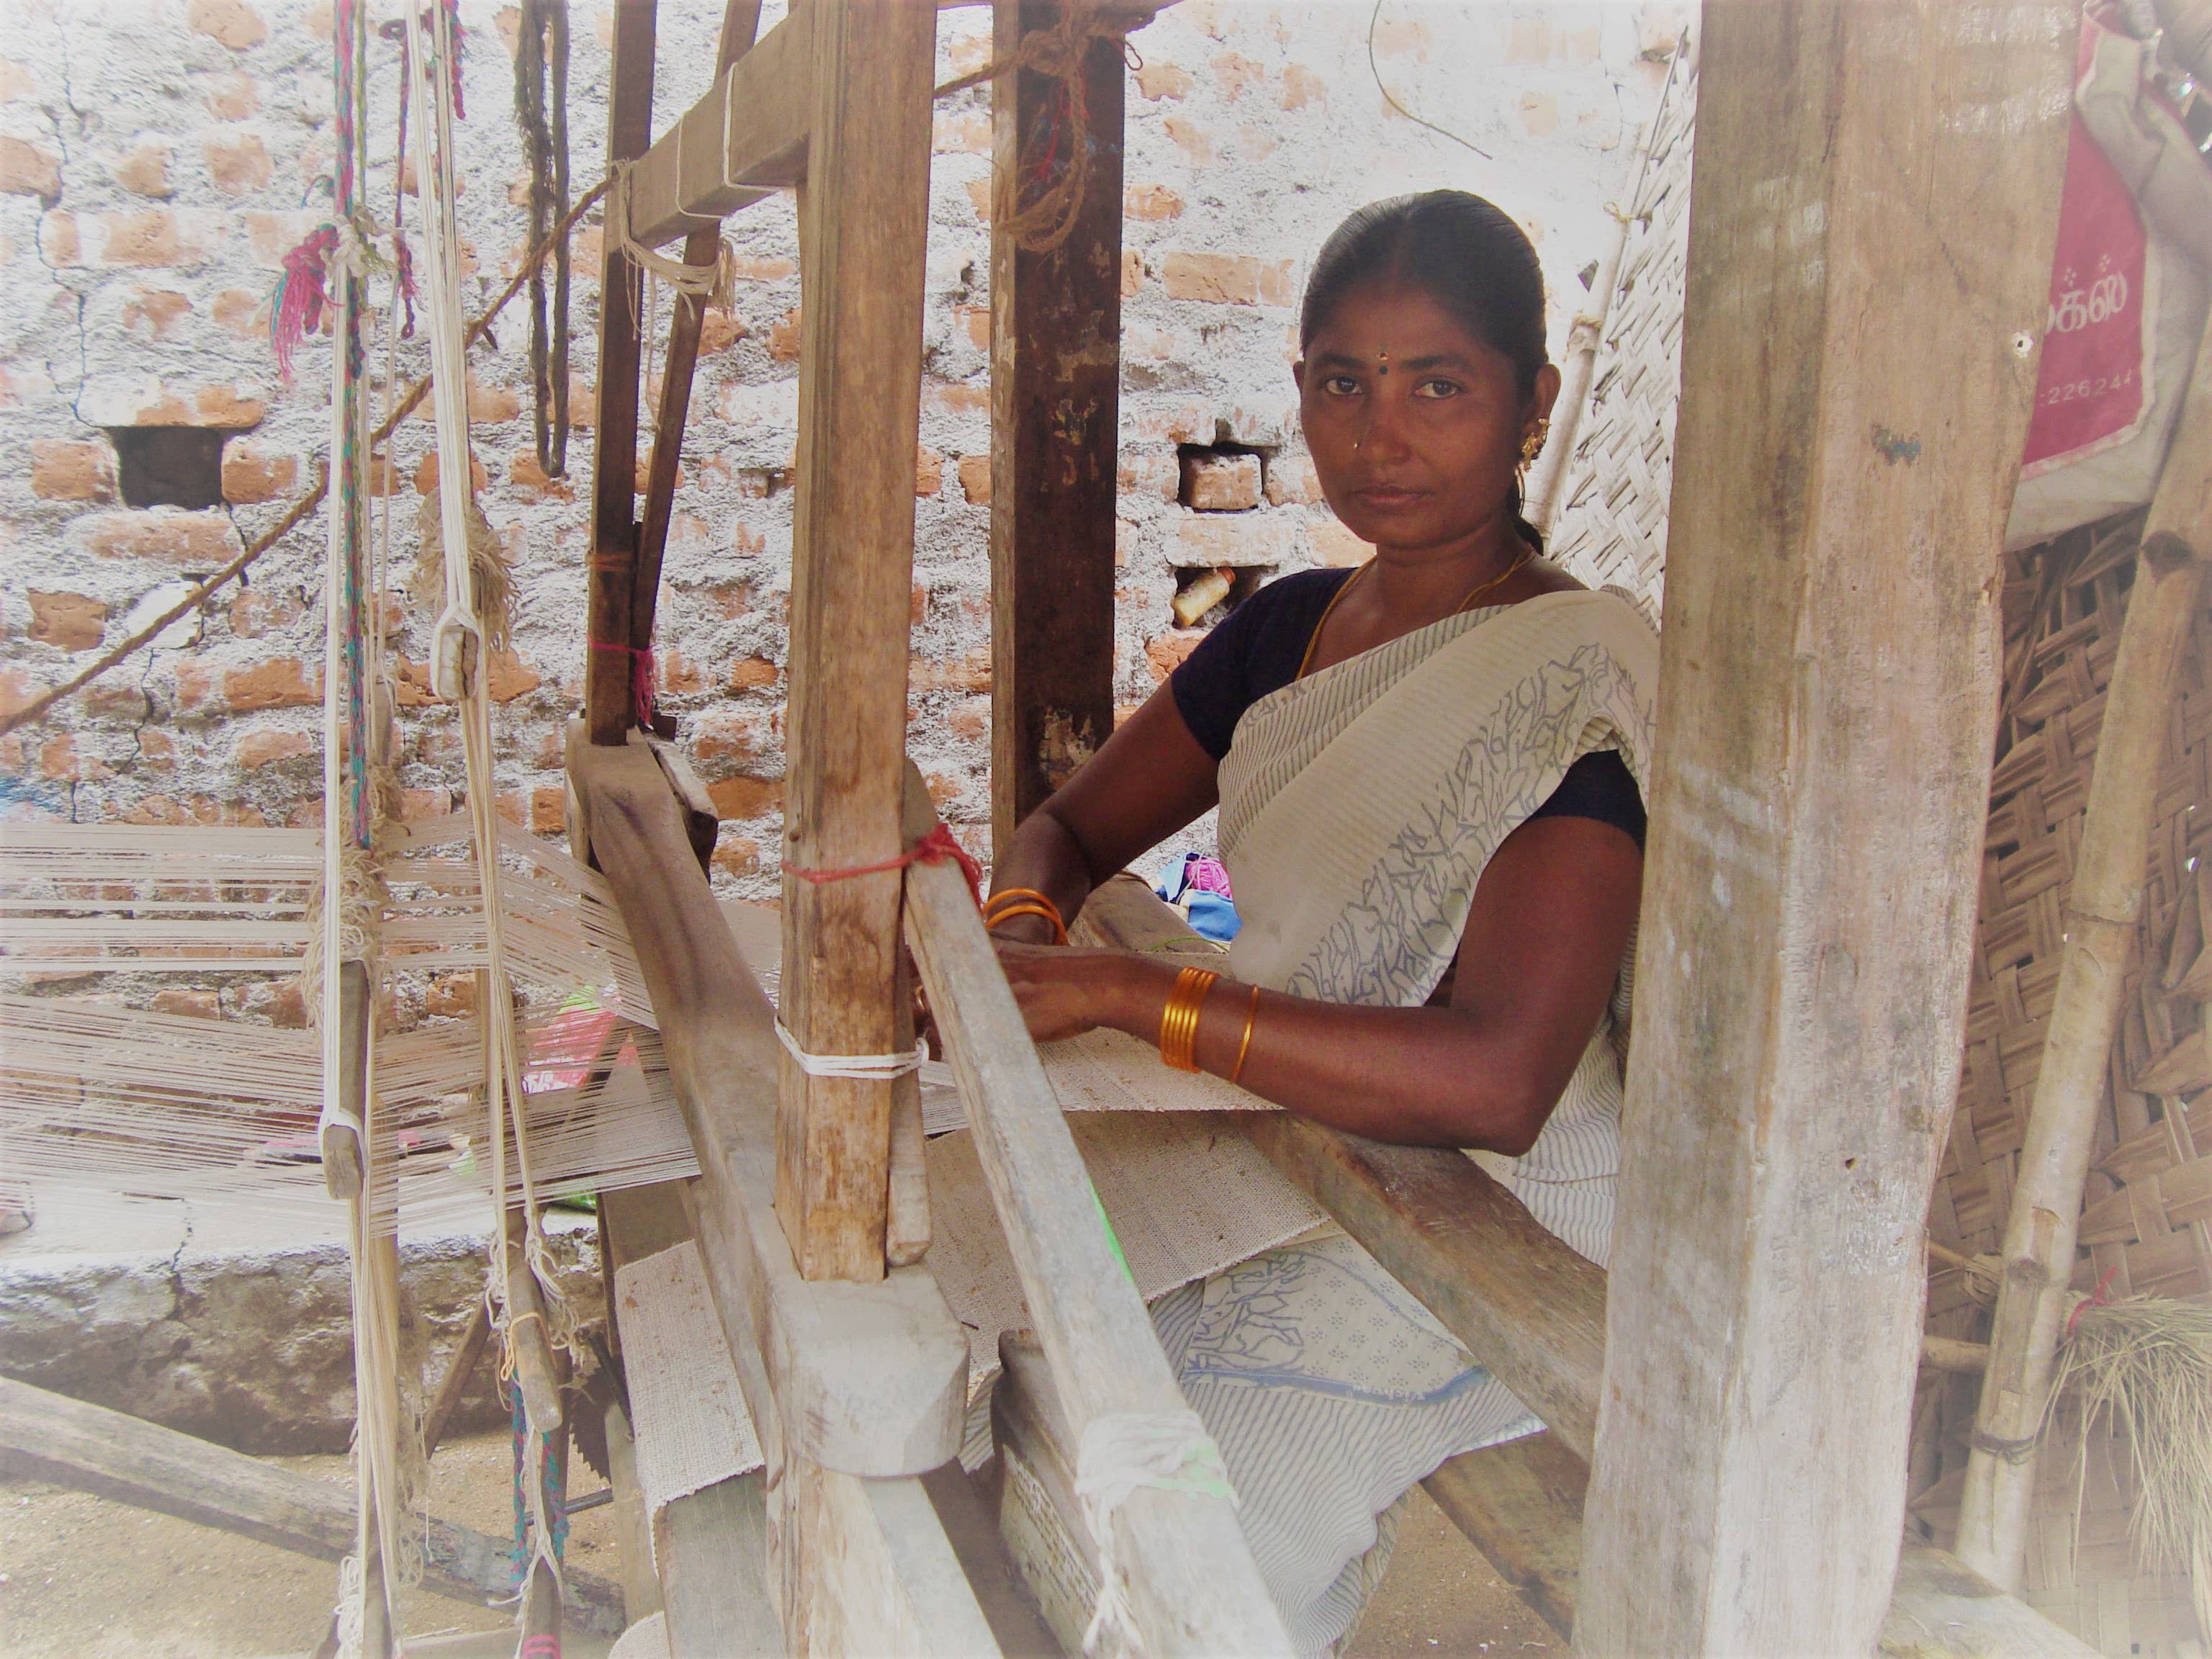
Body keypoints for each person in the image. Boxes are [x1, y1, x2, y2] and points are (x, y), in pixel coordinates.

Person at [981, 190, 1660, 1654]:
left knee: (1195, 1498)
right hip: (1296, 1131)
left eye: (1439, 386)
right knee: (1019, 1323)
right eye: (1342, 383)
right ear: (1299, 391)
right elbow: (1072, 824)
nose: (1380, 433)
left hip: (1509, 1206)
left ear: (1531, 404)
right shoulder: (1287, 631)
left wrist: (1123, 998)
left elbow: (1497, 1083)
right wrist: (1027, 922)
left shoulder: (1565, 686)